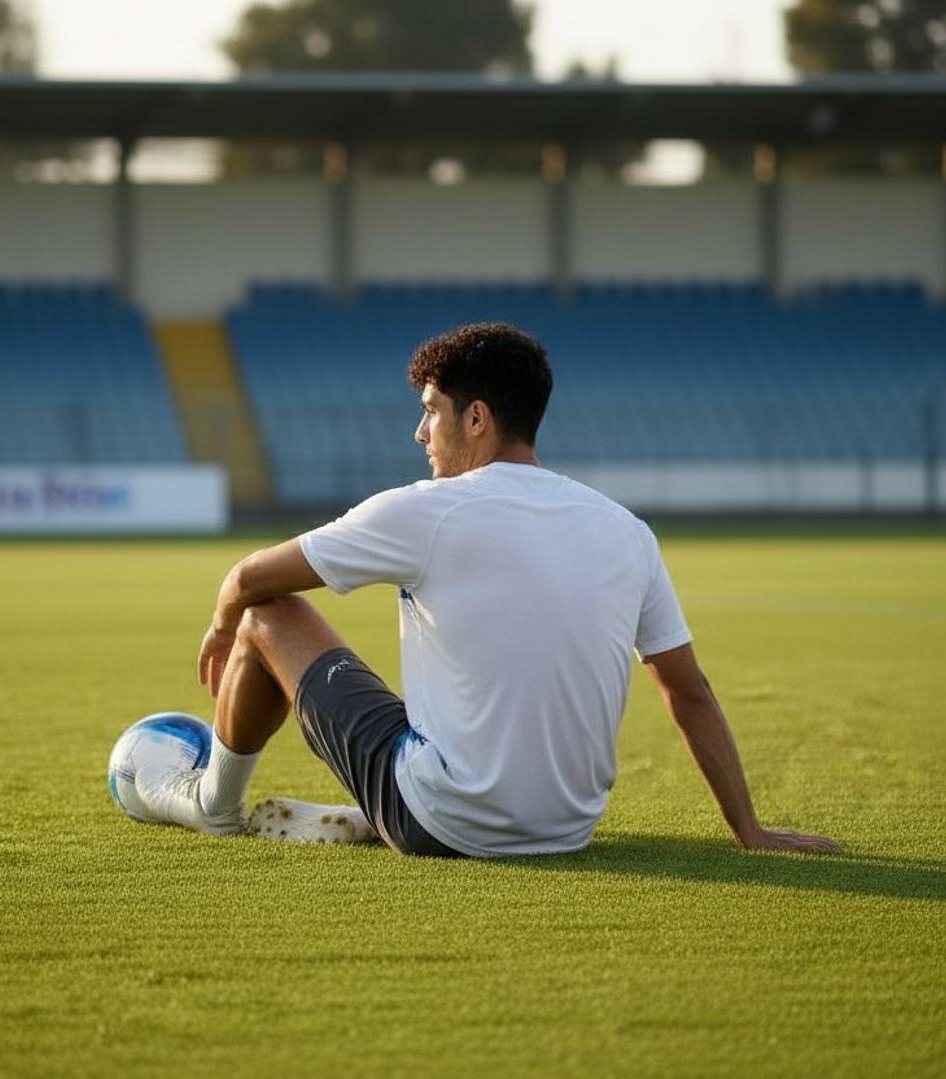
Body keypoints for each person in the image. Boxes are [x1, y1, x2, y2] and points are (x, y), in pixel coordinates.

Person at [136, 321, 839, 858]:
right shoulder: (626, 529)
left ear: (475, 418)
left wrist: (225, 627)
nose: (420, 431)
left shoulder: (427, 508)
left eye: (430, 410)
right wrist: (746, 829)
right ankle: (381, 808)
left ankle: (214, 805)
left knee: (268, 613)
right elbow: (687, 690)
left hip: (441, 820)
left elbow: (249, 578)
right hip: (567, 830)